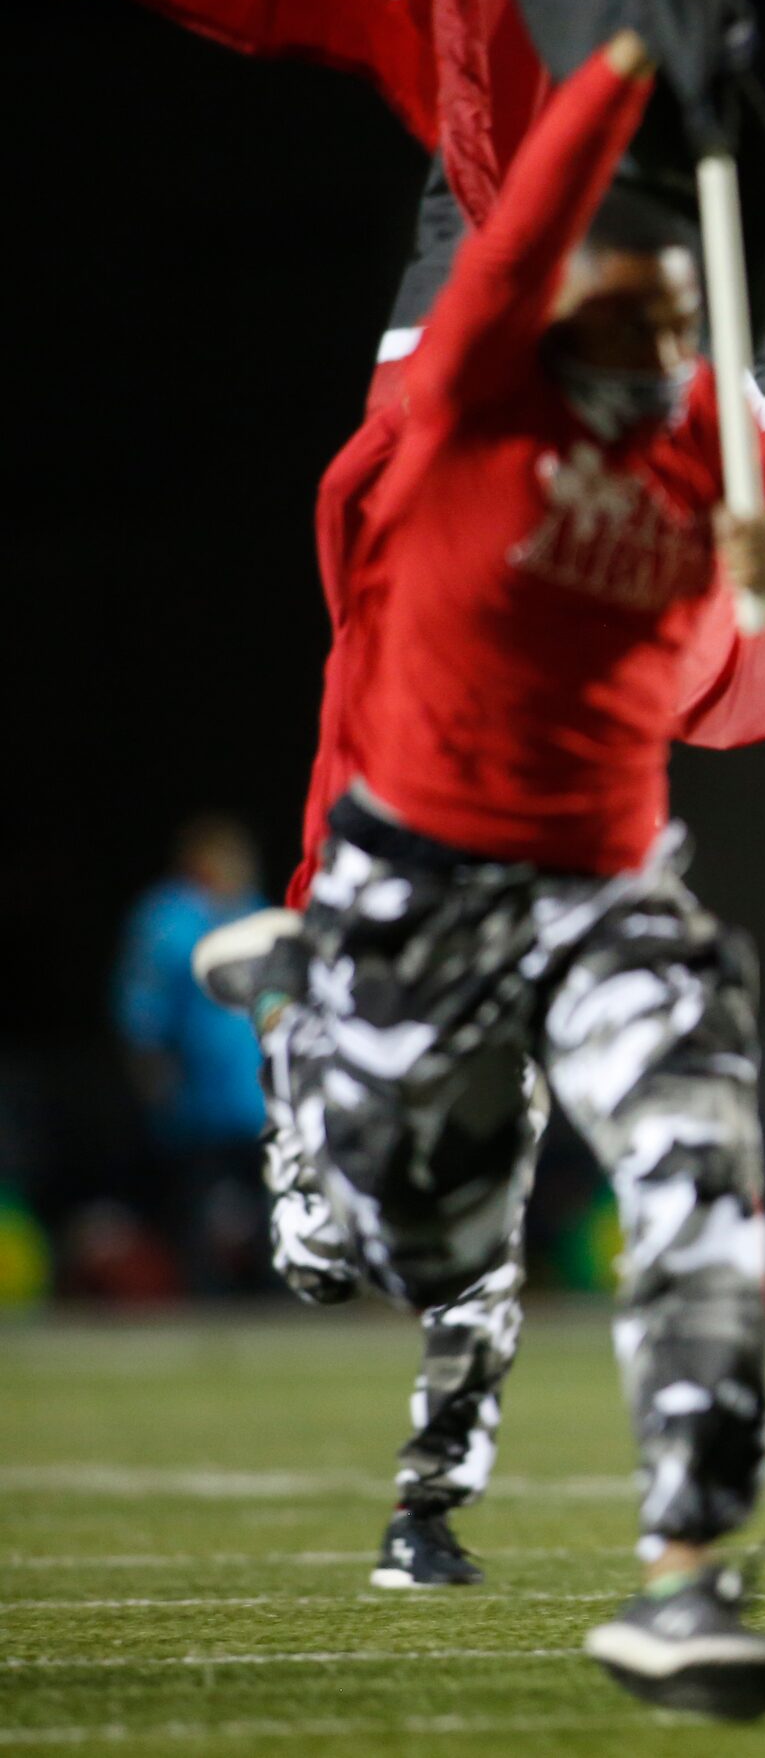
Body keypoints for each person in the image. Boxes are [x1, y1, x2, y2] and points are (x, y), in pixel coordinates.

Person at [191, 33, 765, 1717]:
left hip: (604, 885)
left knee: (699, 1148)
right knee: (380, 1229)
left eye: (675, 293)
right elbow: (535, 208)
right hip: (417, 883)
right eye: (619, 282)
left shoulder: (709, 440)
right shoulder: (485, 376)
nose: (652, 315)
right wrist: (640, 38)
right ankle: (305, 998)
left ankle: (686, 1576)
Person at [195, 356, 536, 1594]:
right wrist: (464, 353)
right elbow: (356, 477)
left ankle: (427, 1509)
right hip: (354, 954)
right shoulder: (376, 601)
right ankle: (295, 1102)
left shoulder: (541, 636)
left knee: (480, 1264)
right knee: (321, 1264)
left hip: (487, 973)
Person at [113, 816, 270, 1291]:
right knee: (196, 1204)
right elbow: (143, 1004)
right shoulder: (167, 918)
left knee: (270, 1201)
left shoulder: (254, 914)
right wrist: (151, 1067)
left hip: (257, 1096)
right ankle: (200, 1295)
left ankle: (275, 1296)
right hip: (198, 1099)